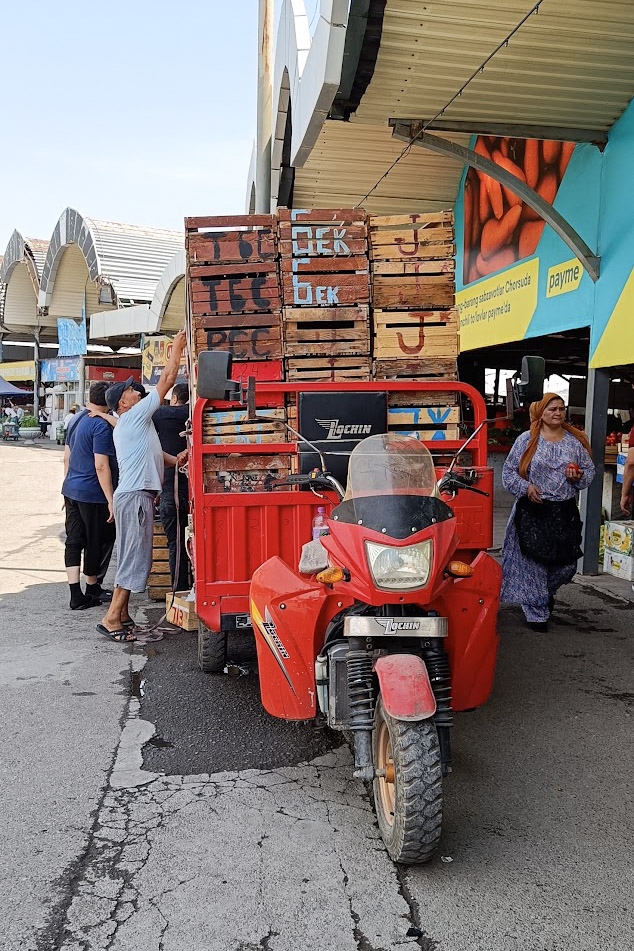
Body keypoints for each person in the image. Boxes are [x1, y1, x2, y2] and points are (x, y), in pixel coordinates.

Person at [97, 331, 187, 643]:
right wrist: (177, 349)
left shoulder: (134, 424)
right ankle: (112, 617)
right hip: (135, 497)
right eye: (131, 392)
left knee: (131, 556)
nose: (136, 392)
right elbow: (168, 379)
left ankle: (122, 616)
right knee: (136, 558)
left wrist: (176, 461)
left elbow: (155, 454)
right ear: (122, 403)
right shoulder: (133, 416)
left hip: (132, 496)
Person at [501, 392, 595, 632]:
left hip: (563, 511)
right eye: (552, 409)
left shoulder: (575, 442)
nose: (557, 413)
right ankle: (536, 613)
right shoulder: (526, 440)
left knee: (566, 565)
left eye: (561, 409)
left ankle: (544, 593)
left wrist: (579, 476)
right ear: (540, 414)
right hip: (534, 510)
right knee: (534, 563)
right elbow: (509, 473)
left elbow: (589, 471)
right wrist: (526, 487)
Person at [62, 383, 117, 610]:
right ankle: (92, 586)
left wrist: (66, 487)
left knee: (74, 540)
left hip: (71, 489)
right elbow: (101, 465)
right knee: (97, 540)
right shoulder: (101, 424)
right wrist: (111, 499)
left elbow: (67, 457)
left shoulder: (75, 419)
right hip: (92, 493)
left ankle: (76, 593)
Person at [153, 383, 190, 592]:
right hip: (195, 489)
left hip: (170, 490)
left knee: (175, 544)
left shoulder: (160, 414)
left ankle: (180, 590)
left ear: (174, 398)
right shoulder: (194, 411)